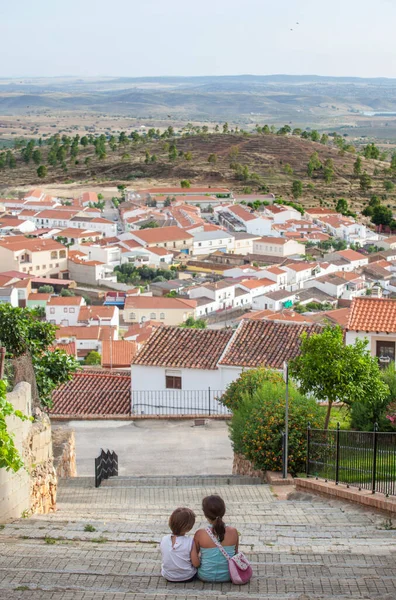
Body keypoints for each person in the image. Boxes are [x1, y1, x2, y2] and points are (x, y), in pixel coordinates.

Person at [194, 494, 239, 582]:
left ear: (205, 514)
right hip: (228, 575)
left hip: (205, 575)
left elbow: (194, 556)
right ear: (224, 511)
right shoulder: (233, 531)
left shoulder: (200, 534)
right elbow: (235, 554)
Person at [160, 507, 200, 583]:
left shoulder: (164, 539)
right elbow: (196, 564)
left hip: (168, 576)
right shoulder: (190, 541)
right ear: (188, 528)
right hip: (187, 576)